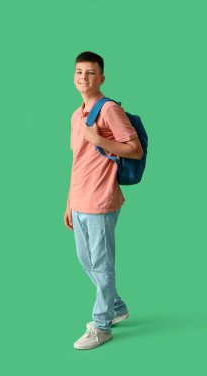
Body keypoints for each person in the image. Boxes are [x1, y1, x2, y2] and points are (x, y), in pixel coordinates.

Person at [64, 51, 143, 350]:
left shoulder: (108, 109)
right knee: (88, 261)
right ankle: (117, 306)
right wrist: (68, 202)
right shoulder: (75, 115)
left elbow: (134, 149)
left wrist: (99, 139)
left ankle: (102, 325)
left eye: (90, 73)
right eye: (79, 72)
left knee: (102, 264)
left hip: (101, 198)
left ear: (102, 78)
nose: (83, 77)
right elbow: (77, 162)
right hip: (80, 199)